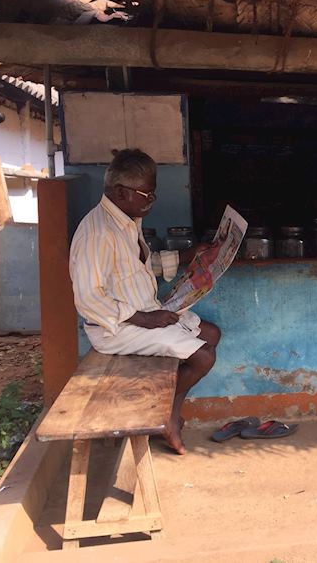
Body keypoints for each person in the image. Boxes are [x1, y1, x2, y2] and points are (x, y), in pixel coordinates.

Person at [69, 149, 219, 455]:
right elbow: (88, 297)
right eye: (145, 194)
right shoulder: (97, 233)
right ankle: (168, 417)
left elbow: (134, 269)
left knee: (212, 334)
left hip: (145, 313)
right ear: (121, 192)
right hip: (117, 329)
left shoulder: (126, 220)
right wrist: (144, 319)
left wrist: (185, 256)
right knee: (203, 357)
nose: (152, 201)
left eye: (153, 193)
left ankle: (166, 410)